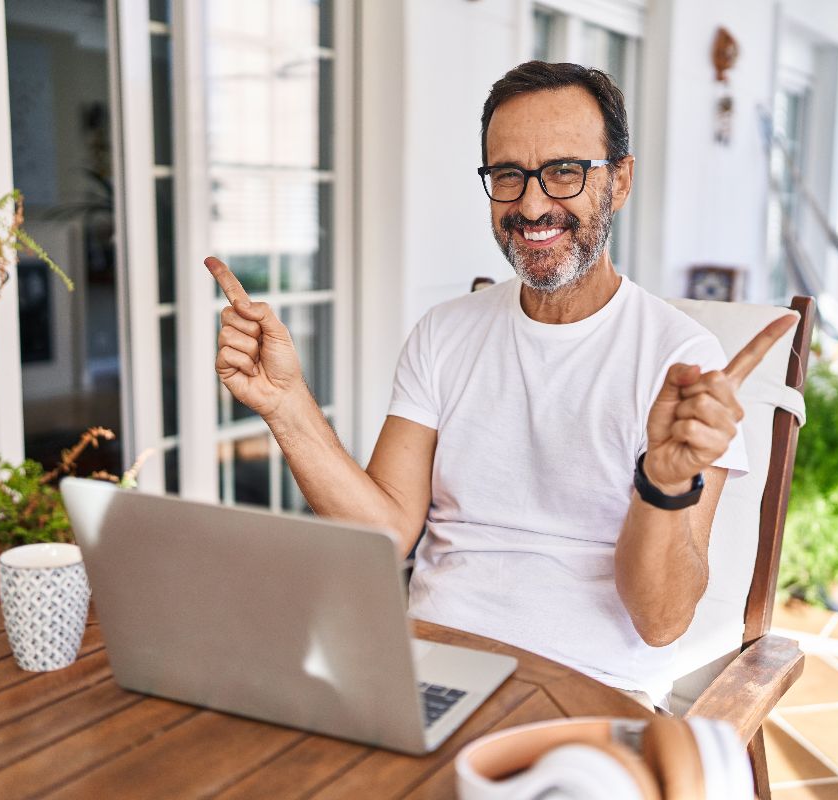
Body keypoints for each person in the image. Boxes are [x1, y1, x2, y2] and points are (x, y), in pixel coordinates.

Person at [205, 61, 795, 707]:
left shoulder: (679, 360)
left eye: (564, 171)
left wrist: (663, 482)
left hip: (590, 693)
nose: (532, 204)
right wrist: (285, 405)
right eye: (508, 176)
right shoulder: (445, 332)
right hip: (425, 666)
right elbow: (384, 534)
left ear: (619, 179)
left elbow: (661, 623)